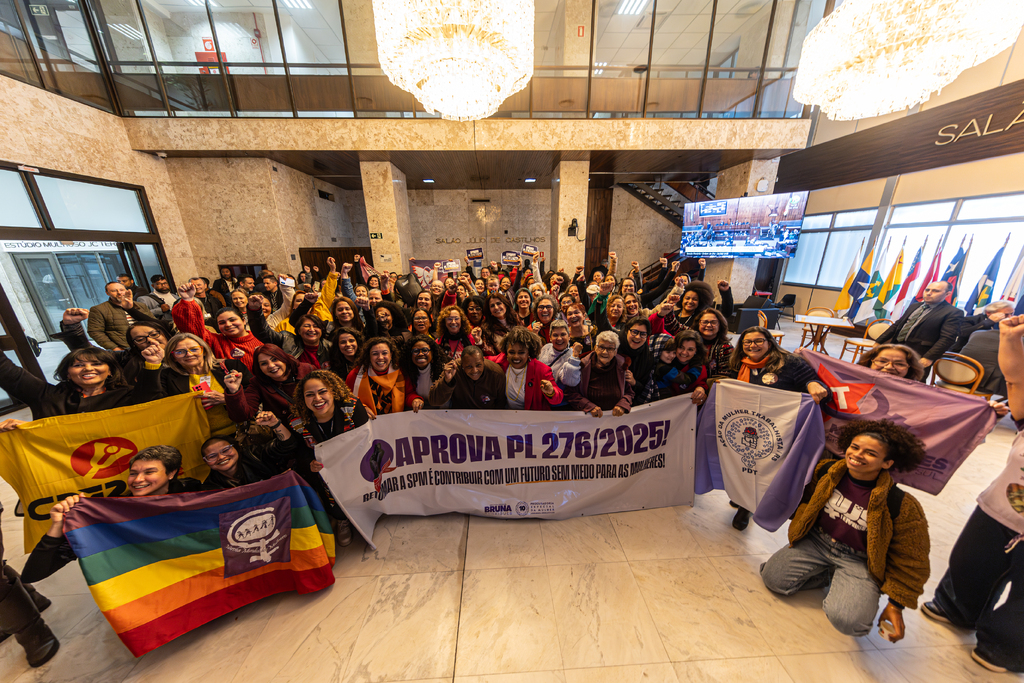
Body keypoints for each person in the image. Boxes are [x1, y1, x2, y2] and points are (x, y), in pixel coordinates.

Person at [760, 420, 930, 641]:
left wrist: (896, 605)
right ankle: (826, 574)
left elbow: (912, 559)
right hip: (817, 541)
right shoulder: (826, 471)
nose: (858, 455)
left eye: (870, 453)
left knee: (850, 622)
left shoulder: (902, 504)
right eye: (855, 447)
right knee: (773, 579)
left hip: (859, 559)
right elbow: (804, 501)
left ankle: (849, 585)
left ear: (887, 463)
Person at [919, 314, 1024, 673]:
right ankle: (957, 608)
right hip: (1001, 508)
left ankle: (1007, 649)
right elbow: (1016, 379)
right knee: (971, 563)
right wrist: (1009, 338)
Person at [21, 446, 202, 585]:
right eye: (133, 473)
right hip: (151, 590)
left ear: (171, 474)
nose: (138, 480)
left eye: (149, 472)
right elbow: (32, 574)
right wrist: (57, 527)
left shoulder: (195, 493)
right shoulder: (108, 515)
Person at [726, 326, 830, 530]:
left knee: (761, 467)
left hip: (776, 428)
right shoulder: (739, 362)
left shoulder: (790, 363)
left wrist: (814, 385)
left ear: (769, 342)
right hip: (744, 423)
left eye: (758, 341)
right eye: (747, 342)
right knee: (743, 462)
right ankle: (741, 495)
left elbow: (818, 386)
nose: (752, 346)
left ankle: (748, 506)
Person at [290, 369, 371, 545]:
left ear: (333, 391)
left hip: (356, 464)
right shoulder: (297, 422)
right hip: (326, 474)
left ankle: (368, 511)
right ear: (303, 398)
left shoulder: (352, 407)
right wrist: (309, 463)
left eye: (322, 391)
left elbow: (368, 438)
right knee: (329, 491)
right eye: (310, 394)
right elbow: (300, 452)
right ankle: (342, 519)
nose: (317, 399)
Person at [156, 333, 251, 436]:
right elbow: (159, 405)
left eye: (194, 349)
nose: (189, 354)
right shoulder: (166, 376)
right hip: (196, 437)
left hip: (239, 432)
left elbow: (253, 393)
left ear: (204, 351)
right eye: (180, 352)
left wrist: (226, 399)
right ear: (173, 357)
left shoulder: (230, 366)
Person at [874, 281, 964, 370]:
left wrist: (929, 357)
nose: (929, 293)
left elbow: (947, 339)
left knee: (910, 378)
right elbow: (897, 325)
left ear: (947, 294)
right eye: (927, 290)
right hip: (896, 348)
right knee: (886, 373)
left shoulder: (953, 312)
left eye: (935, 291)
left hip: (919, 355)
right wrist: (879, 341)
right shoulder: (914, 306)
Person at [173, 282, 263, 370]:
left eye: (232, 320)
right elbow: (193, 330)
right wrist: (188, 300)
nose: (228, 324)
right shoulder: (216, 341)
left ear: (243, 321)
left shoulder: (260, 337)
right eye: (222, 322)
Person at [200, 411, 295, 490]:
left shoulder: (254, 454)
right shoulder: (210, 487)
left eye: (225, 450)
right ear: (206, 461)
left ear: (236, 448)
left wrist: (275, 424)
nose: (221, 457)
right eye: (212, 456)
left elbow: (287, 445)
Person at [490, 326, 562, 410]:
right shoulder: (501, 362)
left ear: (529, 353)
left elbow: (558, 398)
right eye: (511, 352)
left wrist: (551, 392)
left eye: (521, 353)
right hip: (506, 414)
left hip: (532, 416)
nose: (516, 356)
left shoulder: (542, 370)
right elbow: (482, 360)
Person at [249, 295, 331, 369]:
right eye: (307, 326)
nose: (311, 329)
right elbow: (263, 333)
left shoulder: (330, 347)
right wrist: (255, 311)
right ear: (298, 330)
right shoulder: (287, 340)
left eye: (316, 326)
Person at [565, 330, 634, 417]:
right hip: (588, 419)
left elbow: (629, 393)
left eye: (610, 349)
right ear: (595, 348)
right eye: (601, 347)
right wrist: (588, 406)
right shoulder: (582, 366)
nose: (605, 352)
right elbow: (570, 393)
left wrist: (622, 405)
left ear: (615, 351)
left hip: (615, 420)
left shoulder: (622, 366)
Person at [346, 336, 419, 415]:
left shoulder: (401, 372)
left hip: (396, 419)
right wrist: (361, 408)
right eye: (375, 354)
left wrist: (415, 400)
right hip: (368, 420)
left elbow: (409, 394)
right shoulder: (355, 374)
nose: (380, 357)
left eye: (384, 353)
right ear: (369, 356)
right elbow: (347, 399)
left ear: (391, 354)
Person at [87, 281, 158, 350]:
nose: (119, 293)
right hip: (125, 348)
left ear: (126, 291)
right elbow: (95, 331)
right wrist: (114, 348)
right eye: (114, 291)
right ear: (107, 293)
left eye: (122, 290)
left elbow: (155, 324)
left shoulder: (141, 305)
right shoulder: (99, 309)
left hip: (149, 343)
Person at [429, 346, 507, 409]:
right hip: (459, 416)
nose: (474, 370)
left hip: (488, 417)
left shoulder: (496, 373)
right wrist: (446, 381)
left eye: (478, 365)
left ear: (483, 361)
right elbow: (434, 401)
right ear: (462, 364)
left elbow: (501, 404)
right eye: (469, 366)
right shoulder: (453, 369)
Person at [538, 319, 582, 395]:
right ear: (550, 337)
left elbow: (570, 382)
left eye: (563, 334)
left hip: (554, 398)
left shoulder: (572, 356)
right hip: (538, 394)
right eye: (555, 335)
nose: (559, 338)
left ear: (569, 336)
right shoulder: (546, 347)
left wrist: (575, 356)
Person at [399, 334, 445, 408]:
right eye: (415, 351)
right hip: (419, 411)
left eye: (425, 350)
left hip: (443, 410)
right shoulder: (407, 371)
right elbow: (407, 394)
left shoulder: (443, 370)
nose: (420, 354)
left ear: (432, 353)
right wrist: (414, 400)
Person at [696, 308, 734, 378]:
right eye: (705, 322)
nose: (709, 325)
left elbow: (725, 376)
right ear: (699, 323)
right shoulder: (692, 342)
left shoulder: (726, 347)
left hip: (713, 383)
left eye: (713, 322)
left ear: (720, 325)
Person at [857, 344, 925, 381]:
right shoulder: (852, 382)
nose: (889, 367)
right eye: (882, 361)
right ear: (869, 362)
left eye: (899, 364)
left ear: (910, 368)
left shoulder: (916, 396)